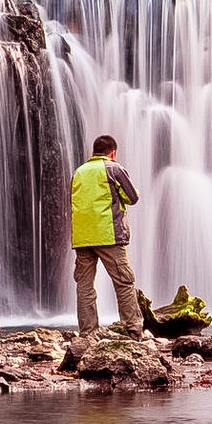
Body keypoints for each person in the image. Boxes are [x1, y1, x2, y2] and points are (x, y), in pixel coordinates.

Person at [70, 134, 146, 340]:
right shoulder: (114, 168)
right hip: (109, 234)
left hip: (83, 237)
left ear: (93, 153)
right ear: (113, 152)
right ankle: (133, 330)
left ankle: (88, 332)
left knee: (85, 286)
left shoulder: (79, 172)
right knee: (124, 281)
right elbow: (132, 197)